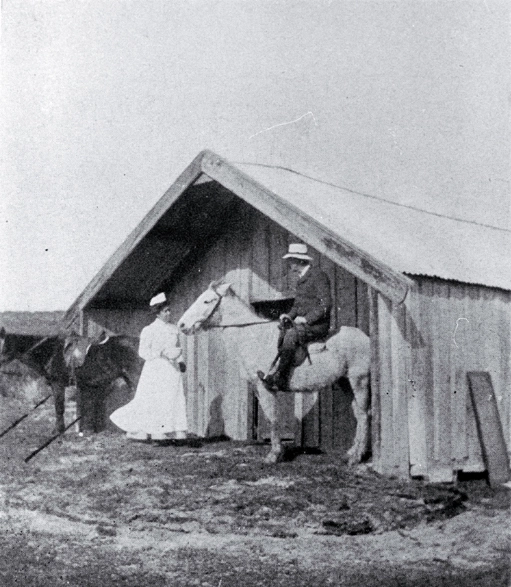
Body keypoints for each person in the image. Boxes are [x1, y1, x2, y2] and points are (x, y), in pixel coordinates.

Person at [109, 292, 188, 442]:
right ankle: (154, 431)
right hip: (155, 369)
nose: (169, 313)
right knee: (155, 400)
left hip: (172, 370)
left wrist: (181, 361)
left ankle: (178, 430)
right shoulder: (149, 330)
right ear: (157, 313)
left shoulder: (173, 328)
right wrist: (161, 353)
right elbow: (143, 352)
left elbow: (176, 348)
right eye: (165, 311)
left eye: (169, 310)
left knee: (173, 398)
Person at [258, 243, 332, 391]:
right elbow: (298, 306)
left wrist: (306, 319)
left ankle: (280, 378)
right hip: (305, 324)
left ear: (299, 261)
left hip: (318, 325)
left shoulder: (318, 276)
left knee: (291, 335)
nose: (289, 263)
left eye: (291, 260)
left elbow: (326, 304)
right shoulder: (301, 279)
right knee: (281, 330)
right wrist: (288, 315)